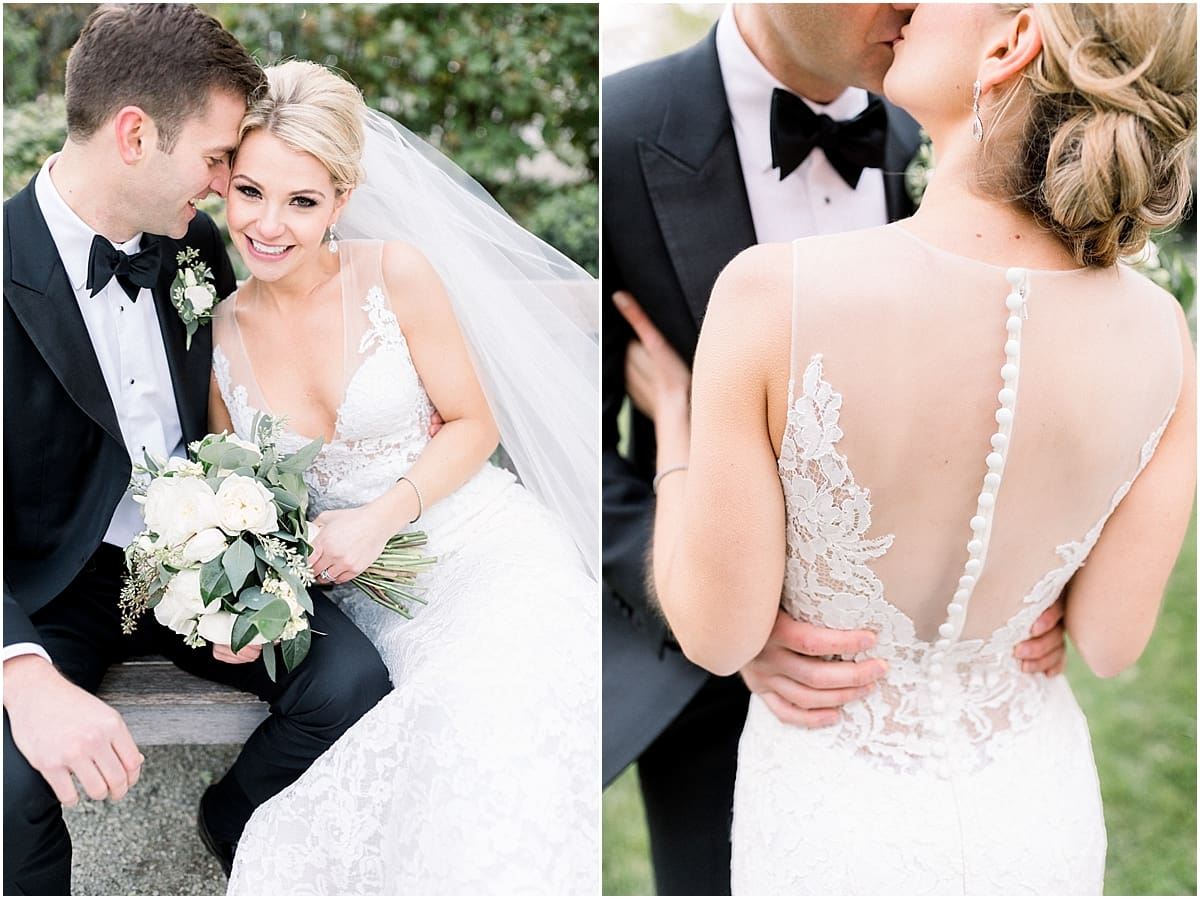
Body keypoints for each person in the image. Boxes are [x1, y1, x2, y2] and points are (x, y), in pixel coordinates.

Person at [623, 3, 1196, 893]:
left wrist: (676, 433)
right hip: (1034, 815)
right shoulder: (1166, 335)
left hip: (831, 826)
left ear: (1010, 43)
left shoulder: (771, 295)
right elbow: (1112, 640)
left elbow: (718, 629)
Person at [2, 6, 394, 894]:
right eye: (218, 158)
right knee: (7, 785)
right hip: (46, 591)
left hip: (202, 562)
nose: (227, 186)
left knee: (349, 685)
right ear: (135, 134)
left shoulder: (199, 245)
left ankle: (233, 823)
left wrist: (251, 572)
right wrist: (21, 674)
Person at [207, 60, 599, 894]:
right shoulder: (220, 334)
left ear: (341, 200)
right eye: (250, 192)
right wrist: (237, 597)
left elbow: (474, 423)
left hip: (484, 550)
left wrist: (381, 515)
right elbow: (235, 502)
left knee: (493, 700)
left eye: (302, 201)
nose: (268, 225)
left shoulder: (396, 274)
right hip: (371, 599)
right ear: (226, 187)